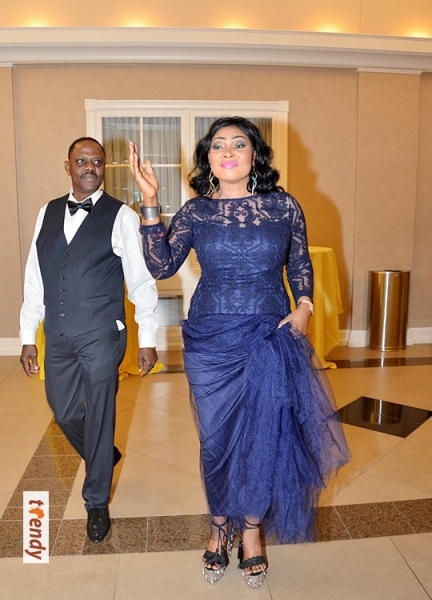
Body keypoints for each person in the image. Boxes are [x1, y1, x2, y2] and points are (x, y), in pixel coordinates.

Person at [129, 117, 349, 587]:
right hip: (211, 342)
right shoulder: (196, 211)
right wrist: (150, 201)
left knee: (262, 439)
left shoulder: (283, 205)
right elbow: (161, 266)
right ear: (208, 159)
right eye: (218, 145)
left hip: (269, 337)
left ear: (255, 155)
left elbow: (300, 262)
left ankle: (250, 531)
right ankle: (218, 525)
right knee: (215, 443)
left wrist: (305, 306)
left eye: (239, 143)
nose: (227, 151)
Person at [20, 137, 158, 543]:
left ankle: (96, 502)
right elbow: (34, 278)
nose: (89, 167)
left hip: (102, 332)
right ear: (68, 167)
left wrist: (147, 337)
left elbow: (141, 281)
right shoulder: (46, 212)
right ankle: (103, 455)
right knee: (63, 411)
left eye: (97, 162)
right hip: (58, 333)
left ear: (104, 168)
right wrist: (27, 335)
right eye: (81, 161)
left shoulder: (122, 216)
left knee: (99, 415)